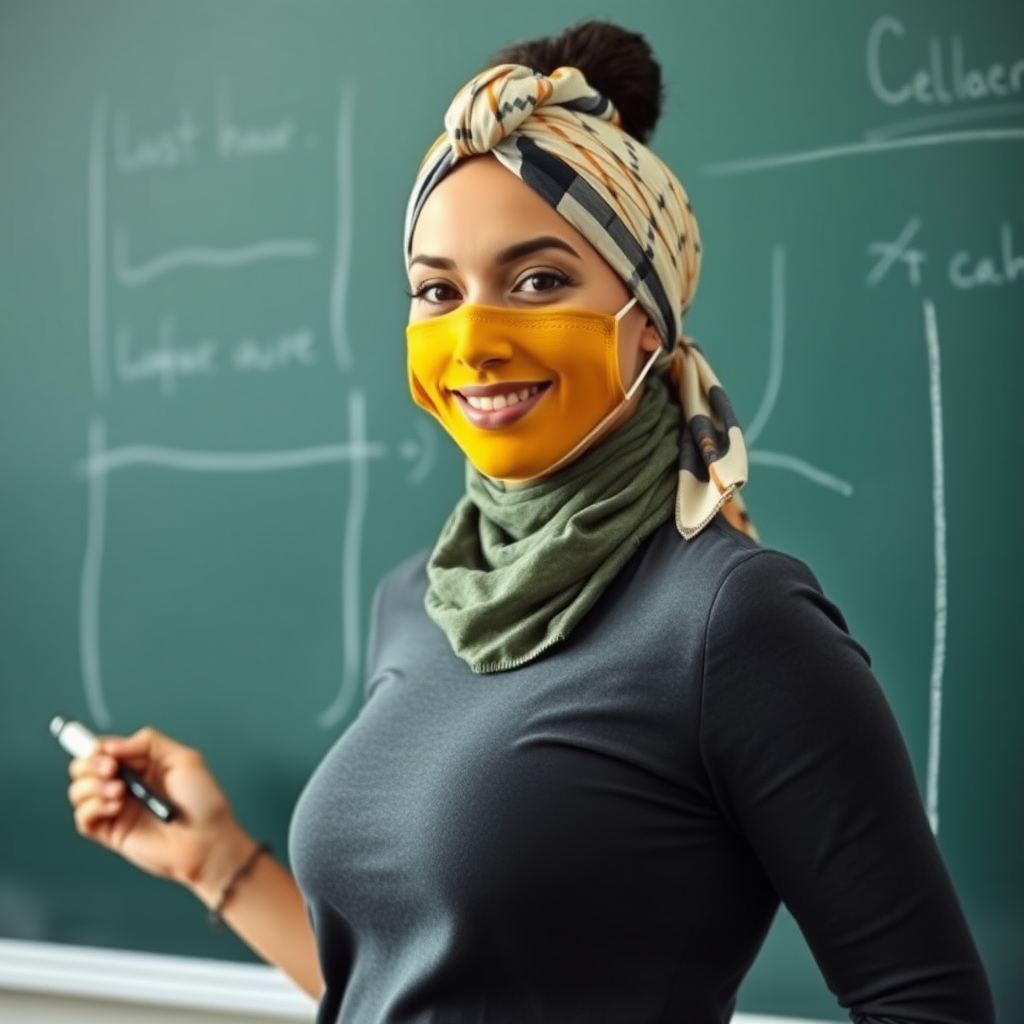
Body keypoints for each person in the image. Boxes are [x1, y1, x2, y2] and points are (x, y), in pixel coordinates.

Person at [66, 20, 995, 1024]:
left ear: (647, 316)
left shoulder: (732, 619)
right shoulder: (417, 599)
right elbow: (415, 991)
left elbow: (928, 1005)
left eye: (540, 280)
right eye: (436, 291)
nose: (475, 336)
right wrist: (222, 864)